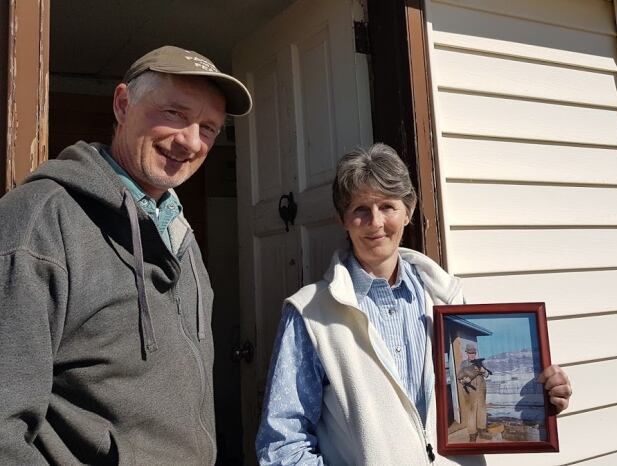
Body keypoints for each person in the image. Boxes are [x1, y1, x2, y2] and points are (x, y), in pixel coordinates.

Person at [0, 45, 252, 464]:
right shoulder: (38, 222)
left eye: (208, 127)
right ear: (122, 104)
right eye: (174, 113)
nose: (190, 141)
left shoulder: (179, 234)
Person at [256, 143, 572, 465]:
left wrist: (538, 397)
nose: (376, 222)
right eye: (360, 210)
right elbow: (282, 445)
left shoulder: (447, 300)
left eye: (387, 207)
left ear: (408, 210)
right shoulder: (310, 314)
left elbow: (481, 401)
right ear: (343, 219)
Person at [457, 343, 489, 442]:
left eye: (474, 353)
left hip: (481, 389)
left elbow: (487, 375)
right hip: (470, 390)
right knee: (471, 411)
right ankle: (472, 434)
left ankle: (482, 430)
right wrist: (464, 381)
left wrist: (483, 371)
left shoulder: (480, 363)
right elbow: (459, 378)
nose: (472, 355)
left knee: (482, 409)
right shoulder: (463, 364)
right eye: (470, 353)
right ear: (467, 353)